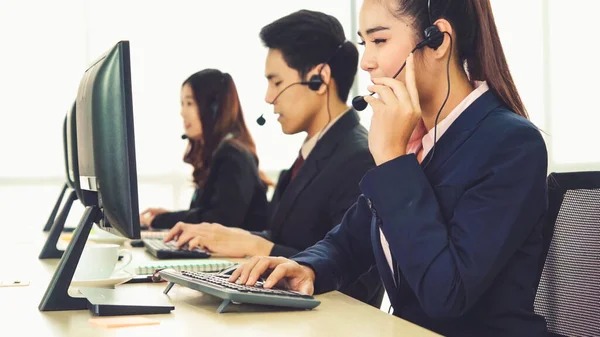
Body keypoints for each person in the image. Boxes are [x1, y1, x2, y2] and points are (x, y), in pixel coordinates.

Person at [228, 1, 549, 336]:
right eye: (365, 43)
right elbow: (348, 242)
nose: (366, 62)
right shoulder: (419, 141)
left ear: (437, 40)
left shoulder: (509, 145)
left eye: (379, 41)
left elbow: (447, 295)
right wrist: (307, 267)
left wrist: (394, 160)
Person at [165, 10, 384, 308]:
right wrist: (229, 236)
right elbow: (286, 236)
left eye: (276, 82)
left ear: (319, 79)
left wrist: (259, 246)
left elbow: (359, 276)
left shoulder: (359, 157)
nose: (268, 97)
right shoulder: (310, 154)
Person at [140, 69, 270, 232]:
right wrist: (172, 216)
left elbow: (219, 221)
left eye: (189, 103)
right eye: (182, 104)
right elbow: (205, 214)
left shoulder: (233, 155)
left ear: (213, 108)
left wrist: (162, 220)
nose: (182, 113)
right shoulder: (219, 153)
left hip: (242, 256)